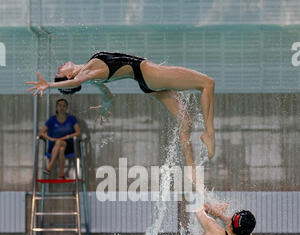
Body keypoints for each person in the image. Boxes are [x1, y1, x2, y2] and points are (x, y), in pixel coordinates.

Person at [25, 52, 216, 173]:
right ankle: (209, 133)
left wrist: (104, 108)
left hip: (146, 83)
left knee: (185, 122)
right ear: (68, 75)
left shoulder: (93, 77)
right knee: (207, 83)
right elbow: (76, 83)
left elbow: (108, 96)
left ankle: (191, 169)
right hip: (149, 74)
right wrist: (49, 85)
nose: (60, 66)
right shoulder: (86, 74)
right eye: (60, 71)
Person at [39, 98, 81, 179]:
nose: (61, 108)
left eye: (64, 106)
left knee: (60, 142)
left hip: (68, 145)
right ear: (56, 107)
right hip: (54, 146)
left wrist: (67, 136)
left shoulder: (71, 119)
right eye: (59, 106)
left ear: (66, 108)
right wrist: (50, 138)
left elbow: (78, 132)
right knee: (61, 148)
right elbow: (42, 132)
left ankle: (49, 167)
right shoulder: (52, 120)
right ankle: (62, 174)